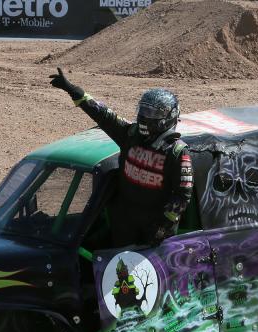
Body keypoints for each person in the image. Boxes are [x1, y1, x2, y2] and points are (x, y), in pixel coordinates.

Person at [49, 68, 193, 246]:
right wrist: (72, 90)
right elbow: (103, 114)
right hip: (125, 219)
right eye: (144, 112)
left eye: (153, 114)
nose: (146, 118)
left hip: (155, 226)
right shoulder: (130, 134)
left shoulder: (178, 151)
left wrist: (164, 225)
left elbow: (182, 195)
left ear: (168, 118)